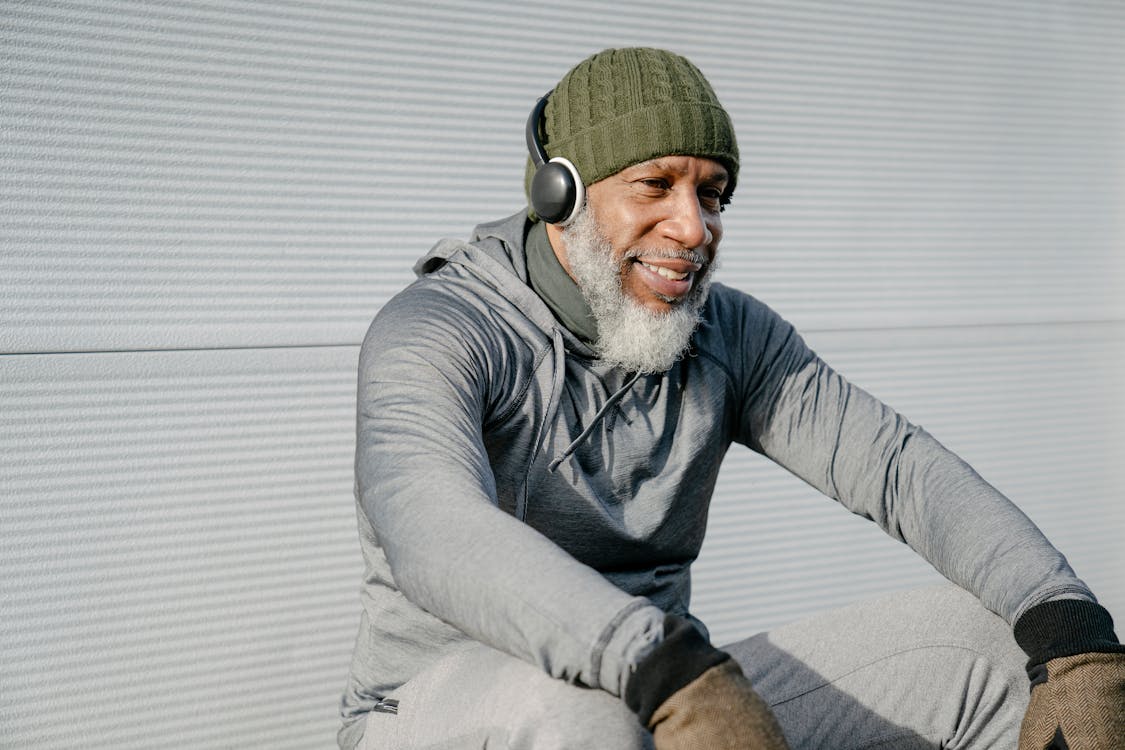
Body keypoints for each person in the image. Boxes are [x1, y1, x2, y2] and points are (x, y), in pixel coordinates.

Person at [340, 47, 1124, 749]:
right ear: (561, 193)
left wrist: (1069, 625)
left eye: (711, 194)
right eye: (655, 185)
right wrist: (662, 668)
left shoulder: (724, 335)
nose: (693, 226)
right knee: (588, 716)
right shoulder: (442, 329)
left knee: (983, 650)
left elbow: (896, 469)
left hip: (662, 680)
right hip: (443, 707)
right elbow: (433, 525)